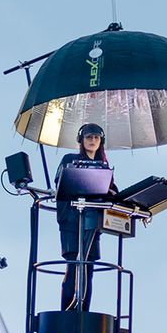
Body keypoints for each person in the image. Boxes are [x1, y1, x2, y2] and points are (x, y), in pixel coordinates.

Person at [54, 122, 117, 310]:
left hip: (92, 222)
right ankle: (67, 311)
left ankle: (84, 311)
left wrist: (113, 194)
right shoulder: (69, 159)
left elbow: (111, 190)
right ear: (81, 140)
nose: (93, 141)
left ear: (101, 141)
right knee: (73, 267)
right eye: (89, 137)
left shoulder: (104, 166)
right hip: (72, 221)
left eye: (96, 138)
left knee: (88, 269)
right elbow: (61, 182)